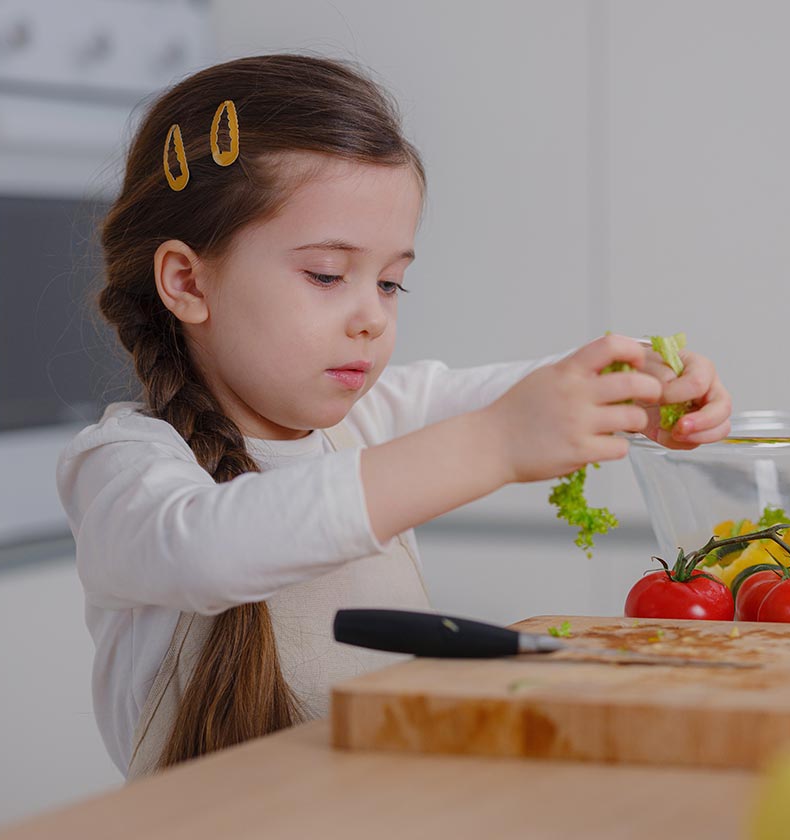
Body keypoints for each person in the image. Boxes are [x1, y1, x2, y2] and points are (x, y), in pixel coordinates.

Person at [54, 54, 731, 778]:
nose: (371, 318)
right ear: (187, 281)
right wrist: (495, 443)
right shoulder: (123, 464)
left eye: (390, 282)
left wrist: (640, 382)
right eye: (325, 275)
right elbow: (203, 550)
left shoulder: (371, 420)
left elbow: (522, 390)